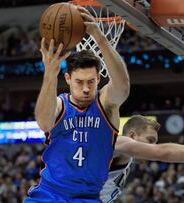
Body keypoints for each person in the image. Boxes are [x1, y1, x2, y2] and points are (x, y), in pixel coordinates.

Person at [24, 7, 130, 203]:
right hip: (49, 194)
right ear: (68, 79)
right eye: (79, 82)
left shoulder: (106, 103)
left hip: (87, 197)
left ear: (99, 79)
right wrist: (50, 73)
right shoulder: (59, 105)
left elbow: (123, 86)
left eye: (91, 82)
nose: (86, 88)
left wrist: (100, 37)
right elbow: (44, 123)